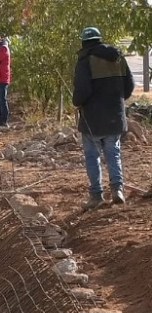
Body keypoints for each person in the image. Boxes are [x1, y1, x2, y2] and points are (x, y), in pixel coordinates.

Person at [73, 26, 134, 208]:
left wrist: (77, 102)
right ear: (99, 39)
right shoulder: (118, 57)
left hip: (93, 118)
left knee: (93, 156)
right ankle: (117, 189)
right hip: (115, 115)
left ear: (84, 42)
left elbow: (82, 92)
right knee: (113, 153)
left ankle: (96, 196)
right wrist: (116, 100)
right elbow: (129, 86)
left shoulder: (85, 60)